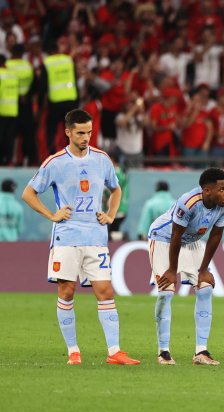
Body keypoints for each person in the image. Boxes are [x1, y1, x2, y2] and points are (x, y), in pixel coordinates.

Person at [21, 109, 139, 365]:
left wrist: (110, 214)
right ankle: (73, 351)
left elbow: (116, 189)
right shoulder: (54, 163)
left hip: (96, 236)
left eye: (89, 132)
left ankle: (114, 352)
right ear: (68, 132)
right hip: (67, 235)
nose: (86, 137)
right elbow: (28, 193)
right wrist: (51, 214)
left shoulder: (101, 158)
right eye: (81, 133)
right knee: (67, 290)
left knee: (105, 290)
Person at [148, 168, 224, 366]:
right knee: (166, 291)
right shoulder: (188, 203)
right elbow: (176, 235)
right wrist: (171, 270)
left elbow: (215, 235)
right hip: (164, 239)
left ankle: (201, 351)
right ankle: (163, 351)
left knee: (205, 289)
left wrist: (204, 269)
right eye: (222, 189)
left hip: (193, 241)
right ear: (207, 191)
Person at [0, 53, 19, 165]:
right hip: (12, 110)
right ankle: (9, 159)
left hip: (1, 110)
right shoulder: (12, 75)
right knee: (10, 137)